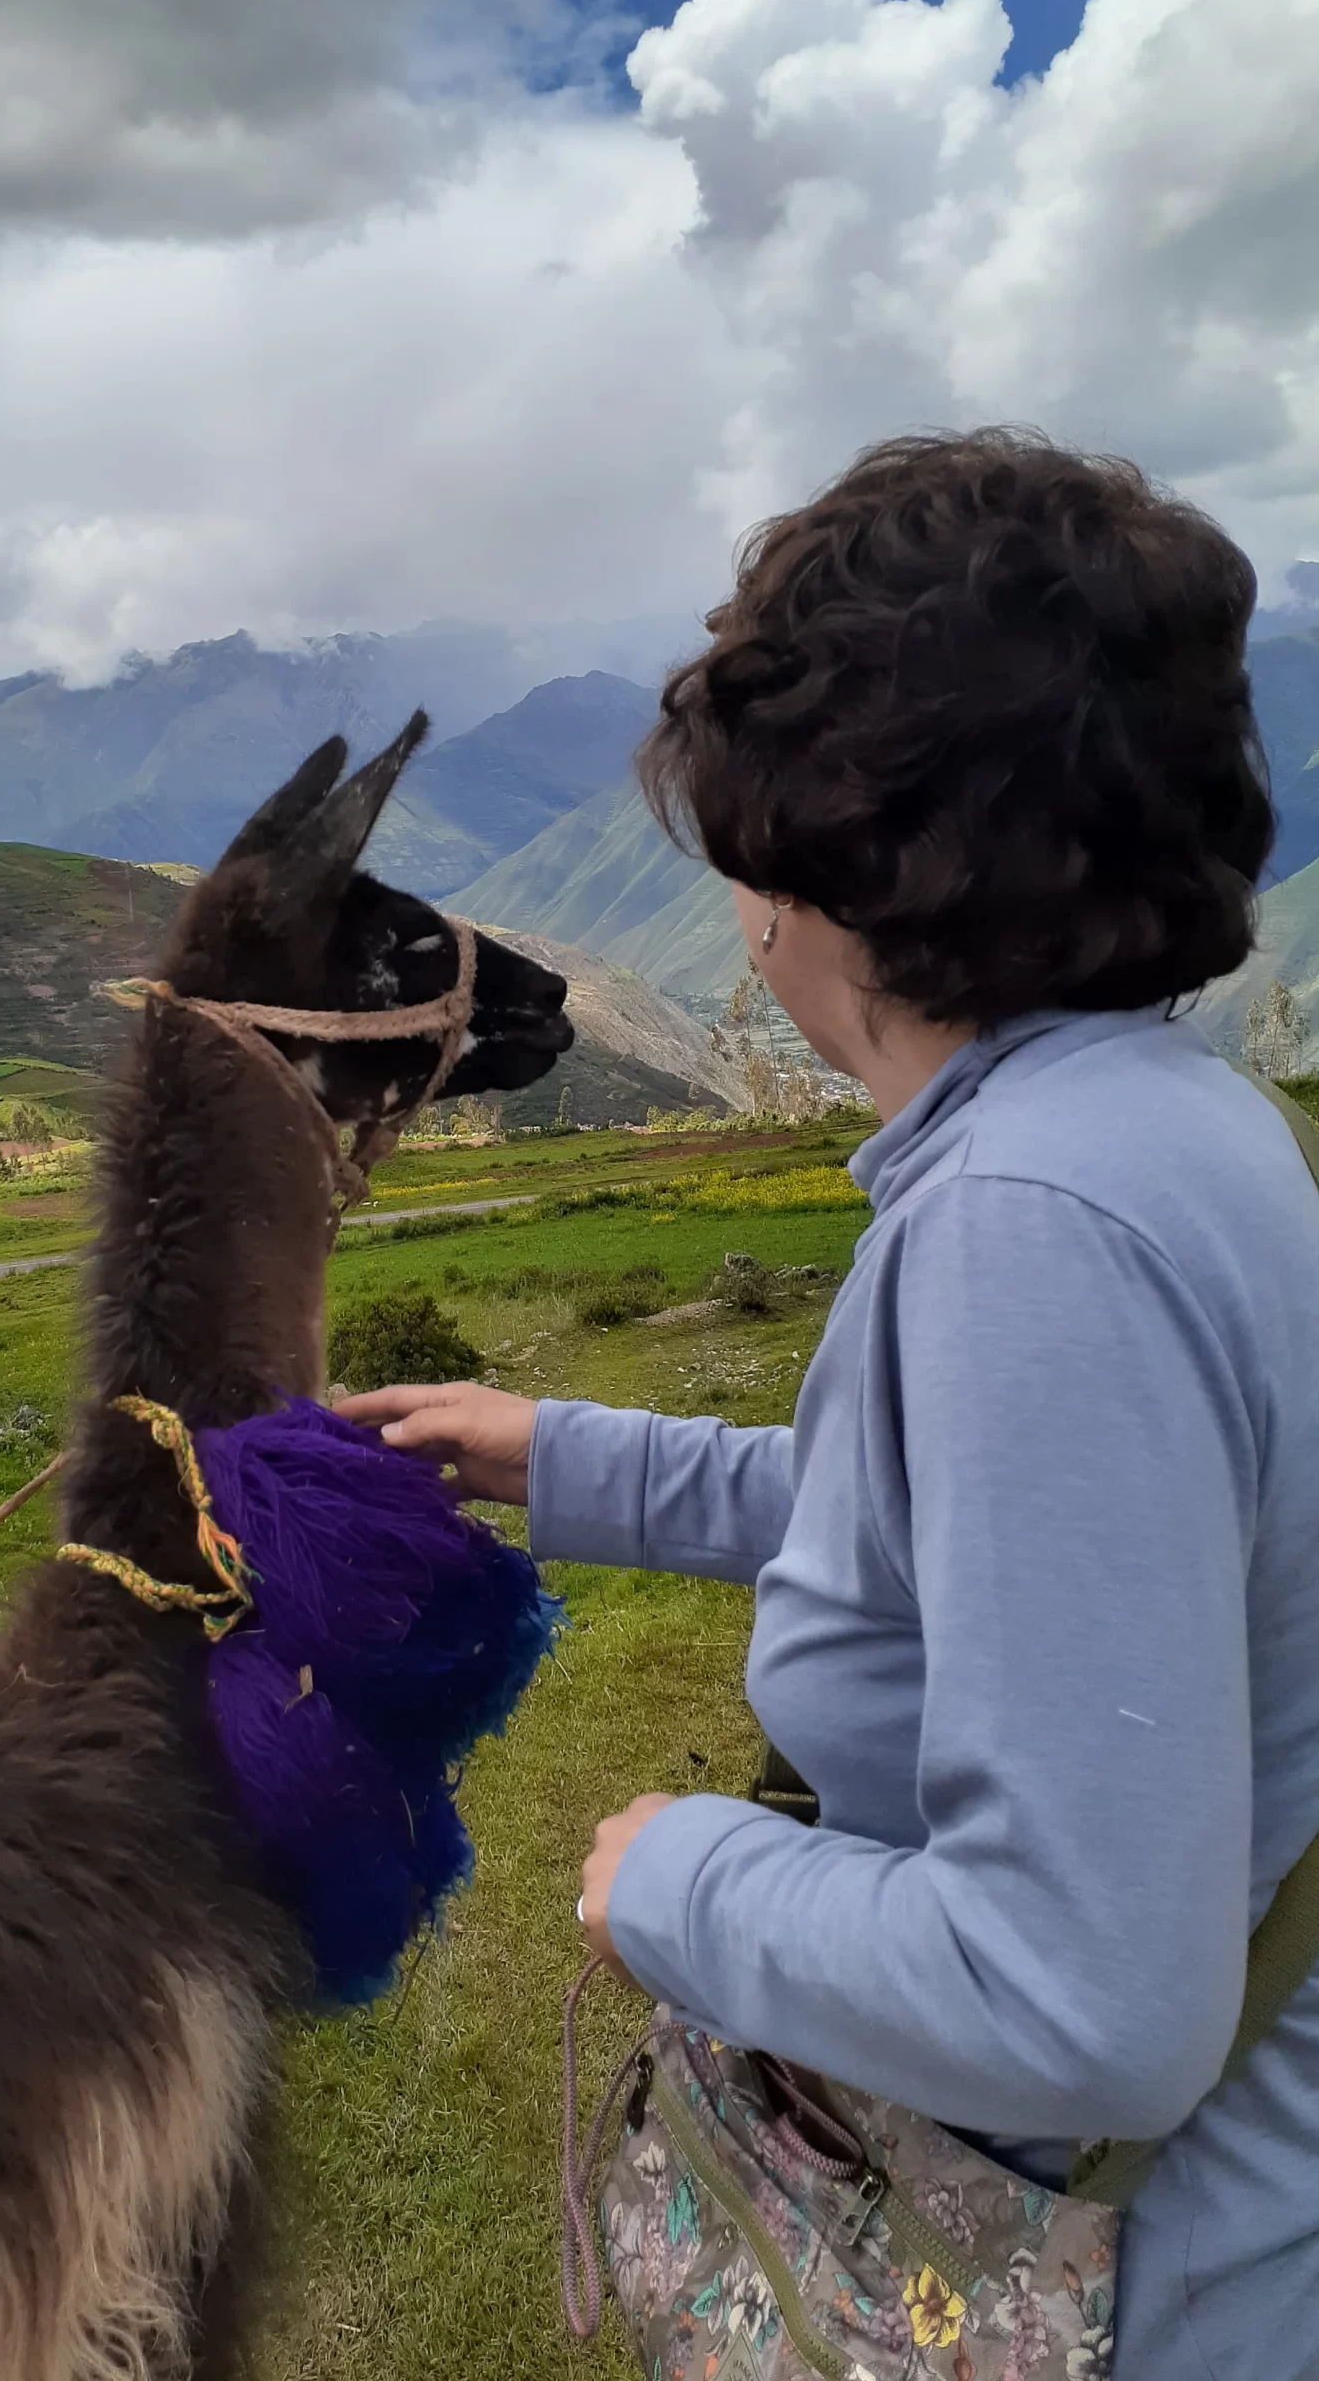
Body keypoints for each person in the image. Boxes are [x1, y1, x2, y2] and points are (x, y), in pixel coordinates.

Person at [342, 430, 1319, 2379]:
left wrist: (681, 1873)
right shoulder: (1165, 1123)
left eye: (742, 837)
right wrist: (562, 1453)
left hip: (1136, 2289)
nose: (731, 901)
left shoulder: (1029, 1224)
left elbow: (1091, 1999)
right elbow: (990, 1541)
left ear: (851, 855)